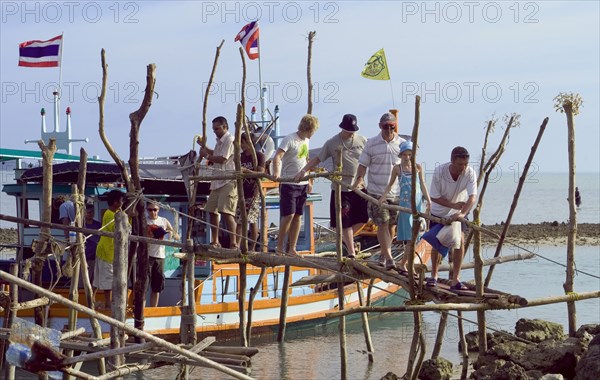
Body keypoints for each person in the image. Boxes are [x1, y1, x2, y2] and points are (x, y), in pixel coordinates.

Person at [296, 114, 368, 258]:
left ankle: (345, 238)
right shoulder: (332, 142)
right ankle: (352, 252)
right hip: (341, 188)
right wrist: (304, 170)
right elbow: (318, 158)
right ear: (342, 128)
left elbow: (369, 158)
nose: (350, 133)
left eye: (352, 130)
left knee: (365, 217)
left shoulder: (362, 140)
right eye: (348, 130)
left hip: (358, 186)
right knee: (345, 221)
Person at [352, 112, 404, 270]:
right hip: (376, 192)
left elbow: (408, 167)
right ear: (379, 126)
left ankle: (383, 253)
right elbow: (363, 165)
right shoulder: (371, 143)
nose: (389, 129)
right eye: (385, 126)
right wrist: (360, 179)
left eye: (391, 126)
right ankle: (389, 258)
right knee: (382, 224)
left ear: (395, 126)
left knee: (391, 225)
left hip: (396, 192)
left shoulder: (402, 144)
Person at [423, 146, 477, 290]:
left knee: (460, 242)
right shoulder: (439, 171)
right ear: (452, 161)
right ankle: (434, 275)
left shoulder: (470, 172)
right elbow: (434, 197)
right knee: (437, 243)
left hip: (459, 212)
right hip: (439, 211)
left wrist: (462, 214)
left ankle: (455, 280)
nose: (463, 167)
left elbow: (472, 197)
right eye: (460, 164)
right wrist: (452, 204)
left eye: (465, 164)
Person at [379, 140, 432, 273]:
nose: (407, 157)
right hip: (405, 205)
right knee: (410, 237)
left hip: (418, 204)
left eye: (410, 154)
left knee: (417, 235)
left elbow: (423, 184)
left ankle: (404, 263)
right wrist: (383, 197)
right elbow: (390, 185)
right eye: (405, 155)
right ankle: (405, 264)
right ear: (401, 155)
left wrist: (429, 201)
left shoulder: (418, 167)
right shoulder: (397, 169)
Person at [273, 114, 319, 255]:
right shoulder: (290, 139)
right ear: (307, 128)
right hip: (289, 181)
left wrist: (309, 181)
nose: (313, 134)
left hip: (303, 183)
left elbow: (306, 160)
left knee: (298, 215)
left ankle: (292, 247)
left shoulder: (306, 141)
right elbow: (277, 156)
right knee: (289, 215)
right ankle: (280, 247)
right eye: (313, 130)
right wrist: (276, 172)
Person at [198, 116, 238, 248]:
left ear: (225, 127)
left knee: (226, 211)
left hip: (228, 179)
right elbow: (215, 153)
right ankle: (215, 240)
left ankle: (233, 242)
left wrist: (207, 155)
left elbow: (222, 159)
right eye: (213, 129)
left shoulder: (229, 139)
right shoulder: (219, 142)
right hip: (217, 181)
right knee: (211, 210)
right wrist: (204, 148)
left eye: (217, 128)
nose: (215, 131)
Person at [93, 189, 124, 307]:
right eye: (121, 201)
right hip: (107, 252)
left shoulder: (114, 213)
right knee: (107, 280)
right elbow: (115, 229)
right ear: (115, 202)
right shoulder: (110, 214)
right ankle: (107, 304)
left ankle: (92, 298)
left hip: (105, 251)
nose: (122, 203)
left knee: (98, 277)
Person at [236, 133, 266, 251]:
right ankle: (236, 245)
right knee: (239, 220)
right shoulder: (240, 157)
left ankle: (253, 247)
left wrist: (246, 171)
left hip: (253, 192)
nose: (242, 145)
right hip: (241, 192)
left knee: (252, 221)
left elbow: (260, 173)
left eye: (243, 142)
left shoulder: (259, 156)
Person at [146, 203, 178, 307]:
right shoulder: (144, 221)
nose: (152, 212)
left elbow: (176, 235)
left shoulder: (163, 221)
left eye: (154, 210)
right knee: (143, 285)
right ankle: (141, 310)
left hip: (160, 256)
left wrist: (169, 233)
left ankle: (153, 310)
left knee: (157, 286)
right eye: (150, 210)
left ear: (158, 210)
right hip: (146, 256)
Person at [84, 203, 101, 283]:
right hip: (85, 256)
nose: (91, 214)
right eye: (89, 212)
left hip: (97, 255)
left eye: (92, 212)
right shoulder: (82, 225)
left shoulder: (98, 225)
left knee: (95, 279)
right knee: (84, 278)